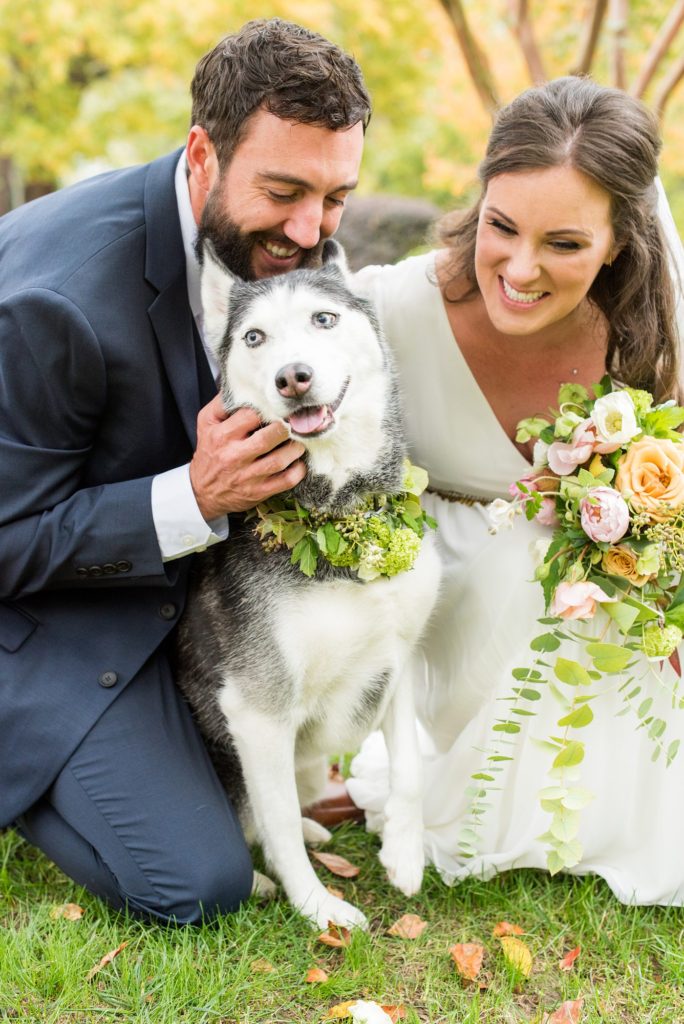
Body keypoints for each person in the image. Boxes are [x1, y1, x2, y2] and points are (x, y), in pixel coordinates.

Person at [0, 17, 370, 924]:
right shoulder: (55, 304)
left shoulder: (295, 239)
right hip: (46, 617)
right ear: (202, 154)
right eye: (284, 191)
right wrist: (193, 498)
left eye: (335, 198)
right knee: (196, 883)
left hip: (183, 602)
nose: (310, 229)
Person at [346, 76, 684, 905]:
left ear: (616, 243)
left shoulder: (645, 332)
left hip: (567, 611)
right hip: (420, 598)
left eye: (564, 244)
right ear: (480, 200)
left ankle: (591, 809)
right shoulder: (387, 310)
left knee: (571, 566)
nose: (520, 269)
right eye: (502, 227)